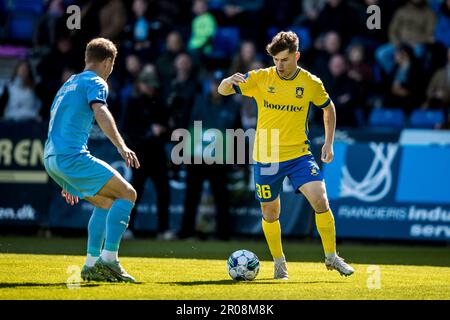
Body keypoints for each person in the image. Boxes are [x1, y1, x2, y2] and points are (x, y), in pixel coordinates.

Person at [218, 31, 354, 280]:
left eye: (284, 60)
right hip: (266, 155)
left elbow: (329, 108)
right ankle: (279, 263)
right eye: (276, 60)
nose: (279, 65)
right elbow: (223, 90)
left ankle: (332, 257)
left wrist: (329, 143)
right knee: (270, 213)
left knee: (320, 200)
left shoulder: (311, 82)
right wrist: (227, 81)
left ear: (296, 56)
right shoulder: (261, 77)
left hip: (299, 153)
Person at [43, 38, 140, 283]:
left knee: (105, 203)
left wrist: (64, 178)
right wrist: (121, 145)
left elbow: (56, 122)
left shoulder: (68, 83)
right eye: (112, 64)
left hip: (51, 157)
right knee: (128, 194)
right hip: (71, 156)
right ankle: (110, 260)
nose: (111, 69)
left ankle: (90, 264)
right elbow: (100, 110)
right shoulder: (96, 82)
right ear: (108, 61)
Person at [177, 70, 241, 241]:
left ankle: (223, 234)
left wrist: (237, 157)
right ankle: (186, 232)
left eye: (219, 83)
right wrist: (181, 151)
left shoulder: (233, 106)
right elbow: (185, 125)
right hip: (196, 157)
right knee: (192, 196)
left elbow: (238, 131)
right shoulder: (197, 101)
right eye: (214, 83)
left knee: (222, 197)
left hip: (220, 158)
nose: (216, 87)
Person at [122, 65, 172, 240]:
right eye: (148, 85)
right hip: (139, 155)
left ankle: (163, 230)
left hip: (157, 154)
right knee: (134, 193)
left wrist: (161, 131)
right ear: (140, 84)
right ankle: (128, 228)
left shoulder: (160, 102)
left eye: (153, 85)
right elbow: (126, 130)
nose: (151, 88)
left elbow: (169, 130)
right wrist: (150, 132)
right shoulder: (132, 103)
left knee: (164, 192)